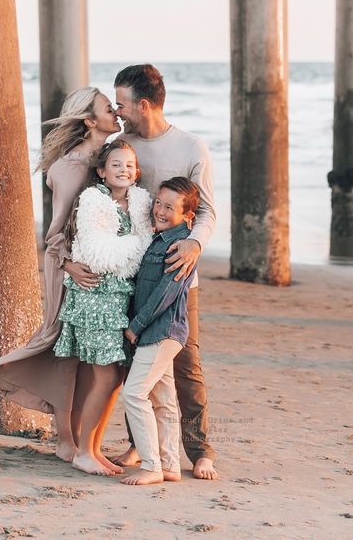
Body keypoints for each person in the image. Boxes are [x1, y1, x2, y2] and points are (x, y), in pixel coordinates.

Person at [0, 86, 121, 467]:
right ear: (90, 121)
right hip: (66, 267)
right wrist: (68, 266)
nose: (117, 112)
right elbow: (55, 233)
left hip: (95, 268)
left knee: (92, 355)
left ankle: (82, 442)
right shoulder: (71, 167)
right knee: (65, 349)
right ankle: (65, 441)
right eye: (109, 108)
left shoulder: (107, 156)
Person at [113, 64, 217, 480]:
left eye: (122, 104)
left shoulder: (192, 147)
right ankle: (142, 445)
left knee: (185, 362)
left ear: (143, 104)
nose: (118, 112)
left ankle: (200, 450)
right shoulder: (122, 144)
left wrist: (194, 243)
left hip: (178, 271)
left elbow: (207, 210)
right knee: (136, 362)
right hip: (133, 272)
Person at [53, 140, 152, 476]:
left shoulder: (139, 203)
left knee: (115, 376)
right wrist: (139, 245)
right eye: (116, 165)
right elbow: (99, 255)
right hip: (94, 299)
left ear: (136, 172)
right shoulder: (93, 200)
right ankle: (82, 451)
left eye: (129, 165)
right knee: (107, 375)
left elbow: (135, 251)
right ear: (101, 172)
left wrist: (135, 248)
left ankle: (92, 449)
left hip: (120, 299)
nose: (124, 170)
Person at [121, 177, 200, 486]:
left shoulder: (179, 246)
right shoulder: (161, 238)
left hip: (161, 331)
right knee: (163, 400)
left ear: (187, 216)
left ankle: (151, 464)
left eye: (170, 207)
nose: (161, 211)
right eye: (159, 203)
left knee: (134, 393)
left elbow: (166, 292)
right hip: (159, 331)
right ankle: (169, 464)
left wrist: (135, 326)